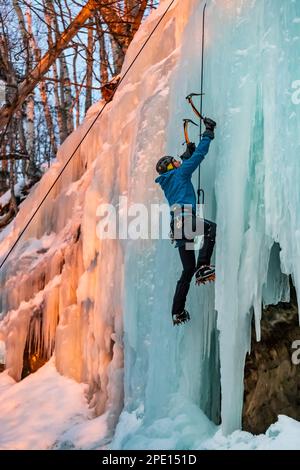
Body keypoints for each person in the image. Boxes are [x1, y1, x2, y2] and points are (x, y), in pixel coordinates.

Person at [155, 118, 217, 325]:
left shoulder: (169, 181)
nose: (178, 161)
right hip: (186, 221)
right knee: (210, 229)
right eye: (175, 161)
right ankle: (204, 266)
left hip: (178, 228)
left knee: (186, 270)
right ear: (172, 166)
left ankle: (177, 311)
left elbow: (185, 163)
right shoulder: (180, 173)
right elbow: (198, 156)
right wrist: (207, 133)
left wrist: (185, 154)